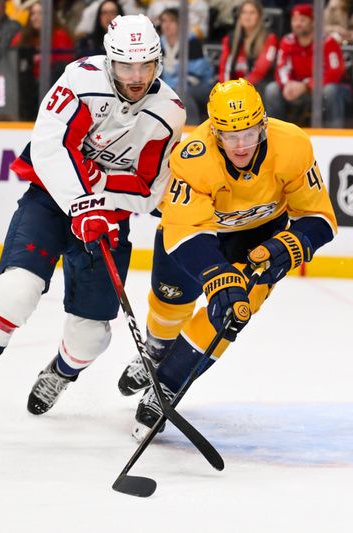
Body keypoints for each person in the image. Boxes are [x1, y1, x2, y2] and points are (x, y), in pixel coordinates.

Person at [0, 14, 186, 424]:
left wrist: (103, 196)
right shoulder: (79, 80)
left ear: (158, 63)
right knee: (14, 292)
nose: (136, 76)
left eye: (145, 65)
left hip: (108, 220)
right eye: (127, 65)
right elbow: (47, 146)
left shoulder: (168, 112)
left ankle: (60, 372)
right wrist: (82, 201)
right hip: (50, 202)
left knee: (92, 337)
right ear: (110, 60)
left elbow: (150, 191)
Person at [114, 78, 337, 437]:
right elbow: (185, 229)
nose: (241, 145)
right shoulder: (193, 157)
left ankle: (167, 386)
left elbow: (320, 218)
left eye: (249, 133)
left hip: (260, 239)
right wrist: (216, 273)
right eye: (230, 136)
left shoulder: (292, 144)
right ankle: (156, 351)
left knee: (231, 313)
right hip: (197, 236)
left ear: (263, 124)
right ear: (214, 131)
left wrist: (292, 244)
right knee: (170, 302)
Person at [263, 4, 349, 128]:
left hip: (333, 88)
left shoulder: (328, 42)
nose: (298, 24)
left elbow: (334, 73)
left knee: (330, 91)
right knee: (272, 89)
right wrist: (287, 84)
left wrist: (306, 86)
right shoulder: (287, 41)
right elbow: (281, 68)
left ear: (312, 22)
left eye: (302, 20)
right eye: (295, 20)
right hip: (297, 87)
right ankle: (275, 132)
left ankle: (335, 133)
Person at [158, 7, 215, 124]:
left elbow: (197, 73)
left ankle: (191, 128)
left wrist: (171, 87)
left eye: (171, 21)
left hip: (200, 85)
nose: (167, 25)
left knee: (183, 93)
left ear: (180, 24)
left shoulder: (191, 41)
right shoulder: (159, 43)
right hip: (172, 87)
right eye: (164, 21)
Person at [218, 0, 278, 90]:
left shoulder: (269, 39)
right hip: (233, 88)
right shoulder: (230, 39)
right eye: (244, 12)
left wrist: (241, 88)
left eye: (252, 13)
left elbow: (260, 71)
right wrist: (226, 89)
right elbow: (224, 69)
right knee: (193, 92)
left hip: (257, 87)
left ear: (259, 16)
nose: (247, 16)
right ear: (239, 16)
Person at [10, 0, 76, 82]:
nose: (35, 18)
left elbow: (63, 64)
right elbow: (12, 56)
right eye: (33, 14)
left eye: (40, 14)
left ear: (49, 15)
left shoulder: (61, 35)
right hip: (26, 84)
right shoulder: (23, 36)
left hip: (53, 83)